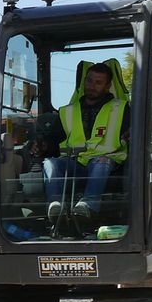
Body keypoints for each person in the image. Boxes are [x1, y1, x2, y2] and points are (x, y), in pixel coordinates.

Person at [46, 62, 126, 228]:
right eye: (89, 81)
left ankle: (87, 206)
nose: (92, 86)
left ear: (107, 86)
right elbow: (52, 140)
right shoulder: (66, 111)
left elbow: (134, 132)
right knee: (50, 163)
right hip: (75, 162)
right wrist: (40, 145)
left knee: (101, 162)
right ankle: (56, 206)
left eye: (98, 82)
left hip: (106, 162)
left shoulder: (122, 109)